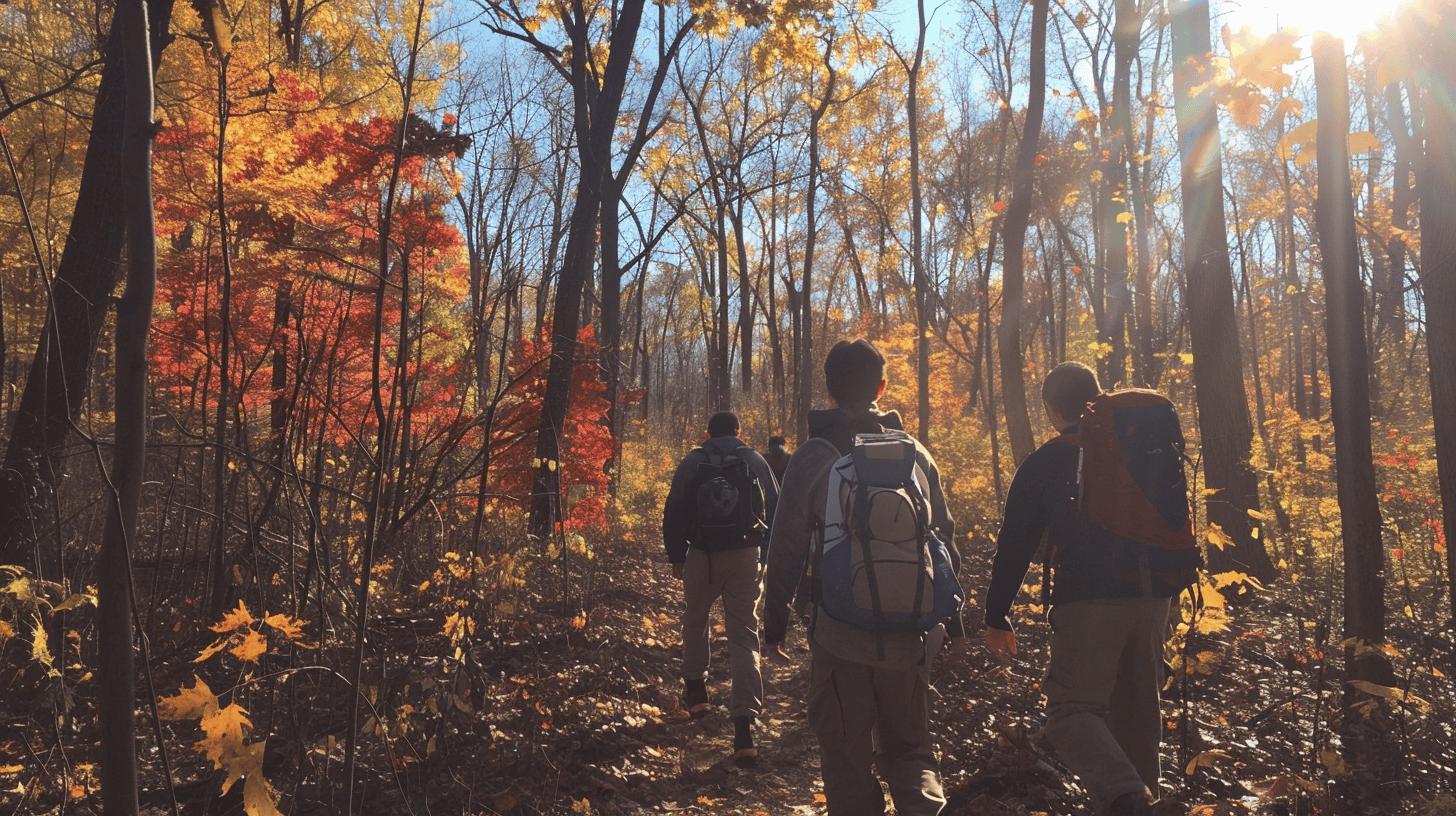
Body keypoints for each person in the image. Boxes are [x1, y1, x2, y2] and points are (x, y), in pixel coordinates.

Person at [983, 362, 1199, 816]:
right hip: (1155, 595)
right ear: (1097, 397)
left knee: (1070, 713)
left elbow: (1016, 543)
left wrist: (996, 614)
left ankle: (1127, 797)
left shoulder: (1046, 462)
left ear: (1050, 409)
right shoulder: (1138, 449)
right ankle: (1147, 801)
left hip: (1089, 599)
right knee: (1138, 713)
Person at [763, 339, 967, 816]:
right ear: (882, 385)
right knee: (912, 752)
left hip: (839, 635)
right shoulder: (915, 453)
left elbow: (787, 545)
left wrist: (773, 626)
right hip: (911, 633)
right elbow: (943, 543)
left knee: (847, 759)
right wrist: (954, 626)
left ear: (830, 389)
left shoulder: (815, 455)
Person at [663, 411, 780, 765]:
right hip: (745, 553)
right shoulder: (753, 459)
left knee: (696, 619)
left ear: (707, 433)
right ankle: (744, 726)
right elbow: (777, 505)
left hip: (702, 554)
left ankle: (696, 692)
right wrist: (768, 554)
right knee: (744, 633)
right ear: (738, 432)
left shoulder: (692, 462)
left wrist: (676, 554)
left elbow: (675, 506)